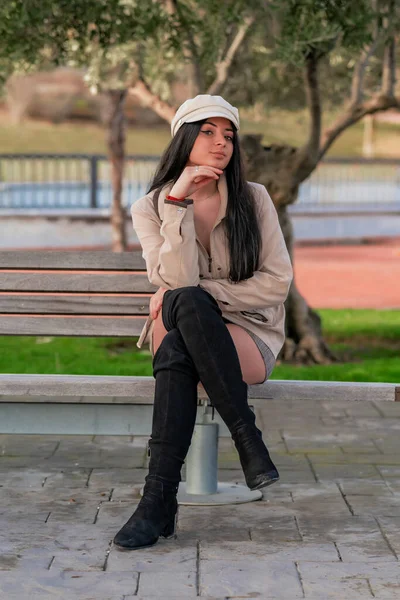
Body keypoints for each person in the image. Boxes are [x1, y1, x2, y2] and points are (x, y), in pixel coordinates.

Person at [113, 94, 293, 550]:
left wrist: (208, 295)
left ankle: (157, 503)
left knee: (182, 332)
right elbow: (173, 279)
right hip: (184, 320)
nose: (221, 144)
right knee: (187, 302)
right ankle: (246, 436)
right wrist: (178, 201)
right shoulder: (152, 206)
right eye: (208, 132)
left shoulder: (254, 199)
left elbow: (277, 282)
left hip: (247, 334)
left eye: (228, 135)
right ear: (184, 138)